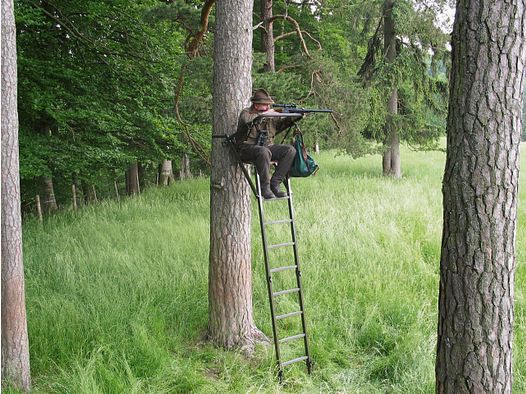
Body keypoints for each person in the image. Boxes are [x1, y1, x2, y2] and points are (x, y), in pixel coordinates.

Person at [235, 89, 301, 199]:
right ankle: (264, 188)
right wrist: (265, 114)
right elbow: (247, 120)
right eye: (265, 105)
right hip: (246, 149)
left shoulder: (270, 114)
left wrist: (295, 116)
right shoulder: (246, 113)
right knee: (263, 151)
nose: (268, 107)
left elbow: (281, 125)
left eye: (268, 105)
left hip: (266, 147)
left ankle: (275, 183)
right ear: (256, 105)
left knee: (290, 150)